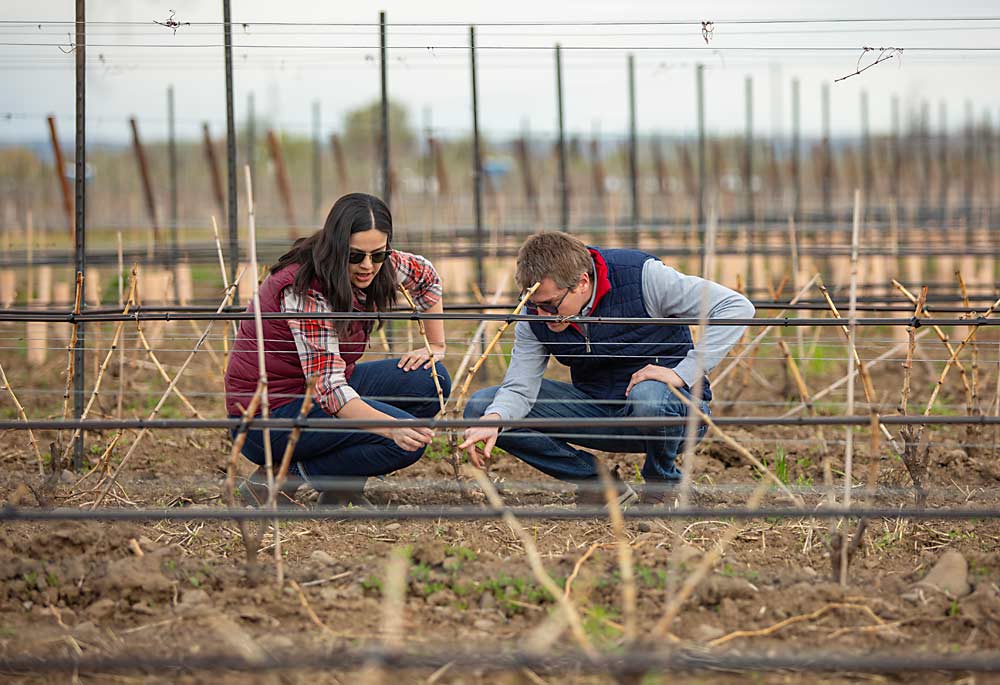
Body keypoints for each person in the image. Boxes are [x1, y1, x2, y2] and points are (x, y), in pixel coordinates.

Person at [460, 231, 753, 505]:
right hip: (598, 409)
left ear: (582, 283)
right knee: (483, 407)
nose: (541, 314)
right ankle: (600, 487)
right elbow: (519, 388)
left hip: (674, 415)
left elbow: (736, 307)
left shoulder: (643, 278)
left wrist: (682, 373)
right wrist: (495, 418)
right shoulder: (535, 315)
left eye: (550, 305)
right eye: (533, 304)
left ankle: (663, 484)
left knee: (649, 396)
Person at [225, 193, 450, 506]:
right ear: (336, 247)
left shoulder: (380, 264)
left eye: (378, 254)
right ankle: (282, 476)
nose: (367, 266)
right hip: (269, 416)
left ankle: (339, 486)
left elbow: (426, 277)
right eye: (355, 256)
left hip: (318, 391)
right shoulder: (304, 290)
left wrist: (435, 345)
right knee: (404, 441)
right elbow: (330, 391)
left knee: (430, 380)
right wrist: (391, 428)